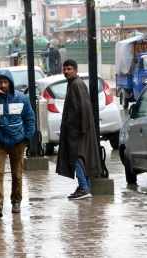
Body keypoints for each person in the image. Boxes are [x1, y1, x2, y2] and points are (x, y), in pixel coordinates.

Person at [0, 69, 35, 218]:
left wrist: (26, 137)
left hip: (18, 141)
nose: (3, 85)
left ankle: (16, 201)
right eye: (0, 82)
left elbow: (30, 119)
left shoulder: (21, 98)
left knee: (17, 173)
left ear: (10, 83)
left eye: (5, 82)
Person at [56, 59, 102, 200]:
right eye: (64, 69)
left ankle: (83, 187)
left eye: (69, 69)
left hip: (78, 132)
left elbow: (83, 108)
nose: (66, 71)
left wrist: (78, 130)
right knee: (82, 158)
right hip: (77, 130)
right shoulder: (74, 84)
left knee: (77, 157)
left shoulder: (76, 84)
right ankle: (84, 186)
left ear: (75, 70)